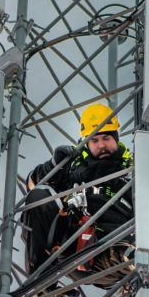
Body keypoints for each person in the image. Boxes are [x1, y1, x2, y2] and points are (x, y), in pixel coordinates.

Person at [21, 103, 134, 284]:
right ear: (86, 143)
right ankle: (40, 279)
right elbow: (32, 186)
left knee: (135, 249)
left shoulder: (131, 174)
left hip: (115, 247)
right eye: (94, 141)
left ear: (116, 139)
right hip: (73, 247)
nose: (102, 145)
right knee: (39, 197)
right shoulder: (73, 171)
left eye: (106, 138)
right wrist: (53, 166)